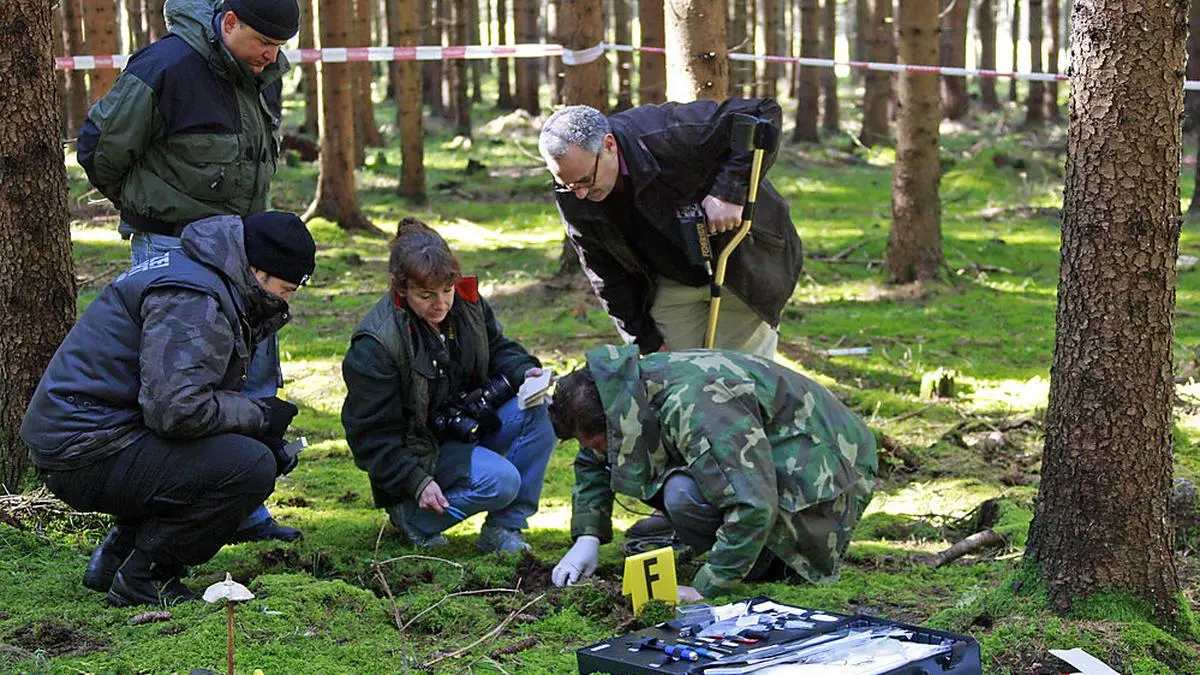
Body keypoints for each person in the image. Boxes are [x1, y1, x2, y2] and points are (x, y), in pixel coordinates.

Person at [76, 0, 303, 542]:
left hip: (245, 257)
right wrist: (153, 207)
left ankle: (245, 506)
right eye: (263, 44)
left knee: (249, 378)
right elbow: (99, 150)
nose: (272, 57)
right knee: (176, 389)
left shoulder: (263, 72)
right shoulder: (166, 68)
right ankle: (161, 513)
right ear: (228, 24)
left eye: (279, 48)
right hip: (172, 250)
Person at [20, 212, 317, 607]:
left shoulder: (202, 273)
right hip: (85, 447)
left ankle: (117, 560)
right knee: (250, 468)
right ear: (256, 270)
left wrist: (256, 428)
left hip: (90, 433)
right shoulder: (195, 297)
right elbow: (177, 411)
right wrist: (259, 417)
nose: (286, 301)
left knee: (240, 452)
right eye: (285, 289)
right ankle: (147, 577)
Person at [547, 345, 877, 601]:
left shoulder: (695, 407)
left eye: (599, 442)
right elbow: (594, 461)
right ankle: (726, 540)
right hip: (779, 456)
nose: (595, 451)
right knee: (680, 490)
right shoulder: (620, 392)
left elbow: (753, 503)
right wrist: (588, 537)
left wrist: (709, 585)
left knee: (681, 495)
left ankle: (768, 560)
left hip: (829, 471)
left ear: (614, 425)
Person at [341, 219, 556, 555]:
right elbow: (370, 436)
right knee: (501, 480)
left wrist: (525, 370)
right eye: (425, 295)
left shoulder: (466, 303)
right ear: (401, 289)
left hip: (465, 426)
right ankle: (413, 518)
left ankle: (504, 528)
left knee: (537, 411)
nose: (440, 304)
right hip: (418, 455)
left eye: (446, 291)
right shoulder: (376, 345)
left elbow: (497, 346)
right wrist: (415, 481)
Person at [537, 100, 804, 360]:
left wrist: (728, 193)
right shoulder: (572, 188)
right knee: (672, 380)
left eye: (585, 180)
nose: (581, 195)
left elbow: (762, 113)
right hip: (670, 280)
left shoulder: (666, 132)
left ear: (609, 145)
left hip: (741, 266)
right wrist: (645, 340)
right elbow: (603, 270)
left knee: (734, 380)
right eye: (568, 185)